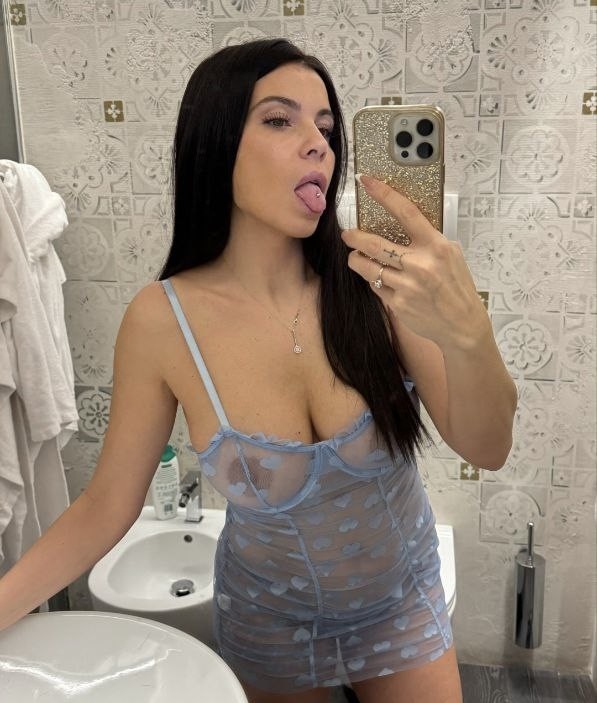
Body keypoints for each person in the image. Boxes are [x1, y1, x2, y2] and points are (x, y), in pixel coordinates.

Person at [0, 38, 517, 703]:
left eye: (326, 128)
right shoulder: (163, 321)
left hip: (399, 602)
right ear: (215, 145)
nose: (318, 145)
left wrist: (470, 334)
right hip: (269, 622)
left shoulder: (377, 282)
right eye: (279, 120)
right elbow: (105, 506)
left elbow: (488, 447)